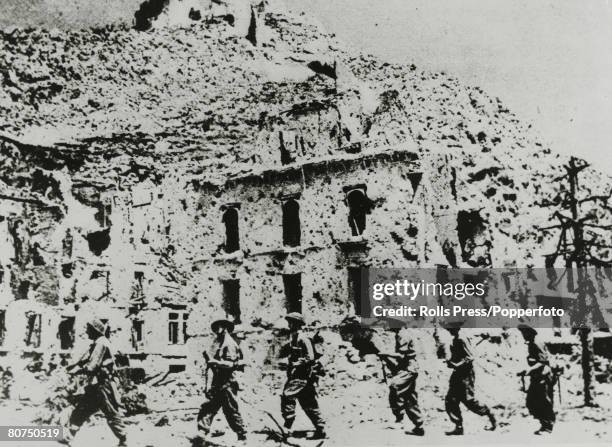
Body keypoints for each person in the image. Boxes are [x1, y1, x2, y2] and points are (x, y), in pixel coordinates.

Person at [60, 319, 126, 446]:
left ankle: (124, 440)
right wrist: (72, 368)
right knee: (81, 410)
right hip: (96, 385)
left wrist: (78, 371)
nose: (86, 331)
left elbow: (92, 366)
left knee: (111, 412)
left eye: (88, 329)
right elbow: (83, 360)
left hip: (103, 385)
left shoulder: (101, 343)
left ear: (95, 330)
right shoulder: (97, 343)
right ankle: (69, 436)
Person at [196, 317, 247, 443]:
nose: (217, 329)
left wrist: (216, 363)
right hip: (218, 381)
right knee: (208, 407)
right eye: (217, 326)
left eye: (220, 326)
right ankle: (202, 432)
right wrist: (207, 385)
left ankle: (242, 436)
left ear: (225, 328)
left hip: (228, 382)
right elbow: (209, 365)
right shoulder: (217, 342)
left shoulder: (229, 343)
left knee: (230, 409)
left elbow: (231, 365)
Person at [443, 321, 496, 435]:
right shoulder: (456, 339)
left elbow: (470, 357)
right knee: (451, 399)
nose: (448, 329)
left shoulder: (462, 338)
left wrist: (456, 364)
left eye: (450, 327)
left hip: (466, 374)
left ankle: (489, 414)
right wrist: (451, 362)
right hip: (458, 373)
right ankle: (458, 426)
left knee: (469, 400)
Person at [280, 312, 326, 440]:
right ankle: (321, 429)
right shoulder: (294, 337)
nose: (289, 325)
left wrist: (296, 363)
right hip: (300, 375)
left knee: (287, 396)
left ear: (296, 324)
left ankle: (287, 426)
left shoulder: (302, 338)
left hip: (301, 375)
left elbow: (310, 357)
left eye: (291, 322)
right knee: (308, 403)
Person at [379, 327, 425, 436]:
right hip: (409, 368)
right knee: (409, 398)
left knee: (395, 387)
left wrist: (385, 354)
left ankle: (399, 420)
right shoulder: (401, 334)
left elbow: (401, 355)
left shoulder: (402, 335)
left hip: (408, 369)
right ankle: (419, 426)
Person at [517, 324, 556, 434]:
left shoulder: (536, 343)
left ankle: (547, 426)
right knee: (531, 402)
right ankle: (545, 423)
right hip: (537, 377)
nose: (523, 335)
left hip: (543, 376)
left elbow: (542, 362)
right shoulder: (531, 343)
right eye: (522, 333)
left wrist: (528, 370)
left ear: (530, 332)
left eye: (525, 333)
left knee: (543, 401)